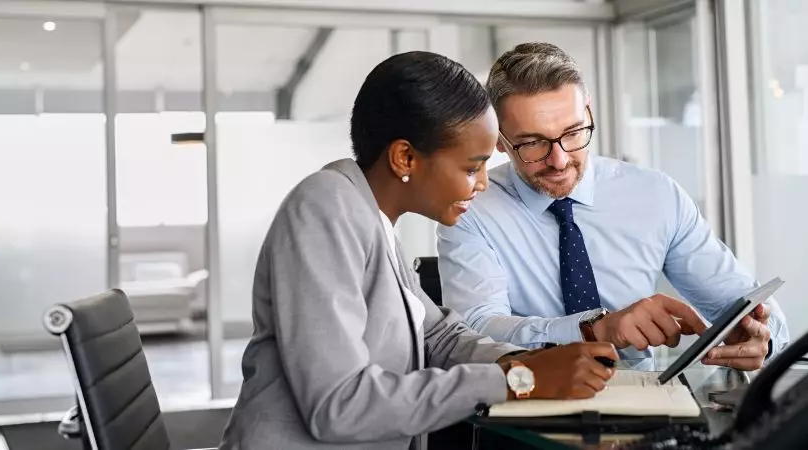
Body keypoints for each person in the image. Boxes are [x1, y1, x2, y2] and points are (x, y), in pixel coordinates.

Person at [219, 51, 619, 450]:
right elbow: (338, 405)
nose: (481, 184)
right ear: (405, 157)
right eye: (470, 167)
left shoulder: (372, 219)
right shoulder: (326, 207)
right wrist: (519, 380)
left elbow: (438, 336)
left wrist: (525, 362)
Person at [436, 42, 789, 370]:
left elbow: (745, 301)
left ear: (588, 112)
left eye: (573, 133)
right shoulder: (471, 208)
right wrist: (594, 330)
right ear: (499, 140)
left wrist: (761, 336)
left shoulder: (655, 195)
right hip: (528, 409)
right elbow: (475, 333)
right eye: (532, 143)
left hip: (650, 408)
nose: (559, 160)